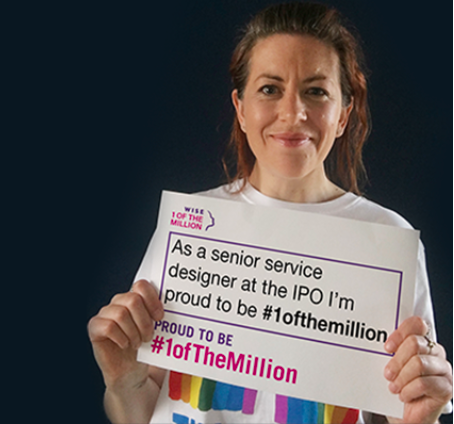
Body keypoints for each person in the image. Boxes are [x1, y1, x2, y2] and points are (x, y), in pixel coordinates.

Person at [87, 3, 452, 423]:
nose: (293, 113)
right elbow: (136, 412)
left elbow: (405, 412)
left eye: (316, 91)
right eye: (269, 89)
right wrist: (123, 382)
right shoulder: (185, 232)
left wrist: (421, 415)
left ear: (343, 116)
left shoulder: (388, 239)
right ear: (240, 109)